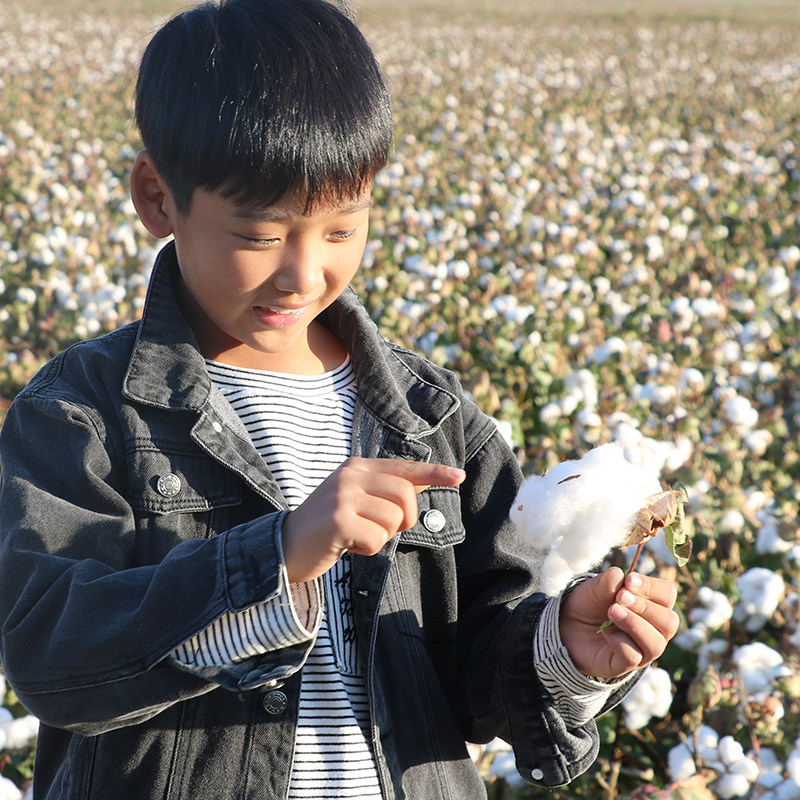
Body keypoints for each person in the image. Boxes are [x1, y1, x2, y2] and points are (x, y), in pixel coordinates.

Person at [0, 1, 679, 797]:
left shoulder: (431, 416)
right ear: (157, 198)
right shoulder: (82, 412)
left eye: (341, 229)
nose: (303, 273)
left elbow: (469, 672)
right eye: (259, 235)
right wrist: (279, 554)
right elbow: (53, 660)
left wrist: (562, 649)